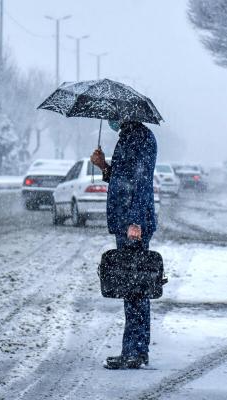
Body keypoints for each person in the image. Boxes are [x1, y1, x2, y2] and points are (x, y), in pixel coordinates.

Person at [90, 119, 157, 370]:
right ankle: (134, 350)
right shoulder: (129, 137)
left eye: (114, 114)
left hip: (133, 224)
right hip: (127, 222)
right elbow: (122, 178)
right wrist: (104, 166)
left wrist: (135, 221)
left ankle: (135, 351)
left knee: (135, 288)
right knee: (132, 287)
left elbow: (140, 181)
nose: (110, 119)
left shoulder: (140, 137)